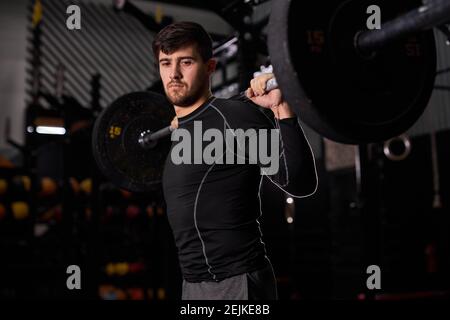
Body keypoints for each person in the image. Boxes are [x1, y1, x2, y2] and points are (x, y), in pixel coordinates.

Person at [152, 21, 318, 300]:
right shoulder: (181, 130)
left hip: (235, 284)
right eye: (166, 63)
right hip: (192, 285)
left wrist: (282, 108)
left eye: (186, 62)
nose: (174, 74)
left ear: (210, 67)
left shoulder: (234, 119)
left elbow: (299, 181)